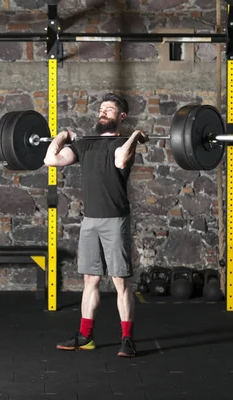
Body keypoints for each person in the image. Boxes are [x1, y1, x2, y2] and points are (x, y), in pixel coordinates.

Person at [43, 93, 148, 358]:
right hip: (90, 220)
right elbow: (51, 160)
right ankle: (85, 336)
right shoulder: (85, 145)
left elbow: (120, 160)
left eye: (109, 110)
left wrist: (134, 136)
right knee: (90, 279)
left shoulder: (124, 143)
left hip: (115, 219)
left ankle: (127, 339)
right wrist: (63, 136)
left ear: (120, 116)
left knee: (120, 281)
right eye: (101, 109)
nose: (103, 113)